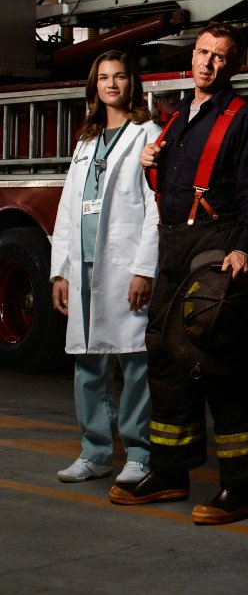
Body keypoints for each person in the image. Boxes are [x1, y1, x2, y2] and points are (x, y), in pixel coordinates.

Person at [111, 23, 248, 526]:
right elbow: (171, 188)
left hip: (217, 246)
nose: (209, 63)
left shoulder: (244, 120)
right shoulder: (180, 117)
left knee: (220, 359)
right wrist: (147, 164)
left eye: (220, 57)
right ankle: (170, 471)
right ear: (193, 57)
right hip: (172, 246)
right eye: (203, 53)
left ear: (233, 65)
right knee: (164, 356)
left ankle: (242, 486)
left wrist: (246, 249)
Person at [50, 51, 159, 489]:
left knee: (135, 361)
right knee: (88, 361)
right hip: (85, 262)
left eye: (119, 77)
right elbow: (66, 209)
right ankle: (95, 452)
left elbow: (155, 206)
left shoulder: (148, 134)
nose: (111, 84)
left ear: (133, 82)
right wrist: (61, 271)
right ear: (94, 85)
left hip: (123, 263)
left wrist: (144, 269)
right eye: (103, 78)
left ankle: (139, 453)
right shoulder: (86, 140)